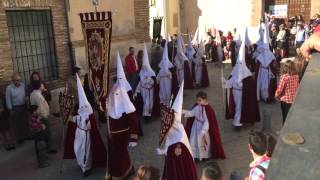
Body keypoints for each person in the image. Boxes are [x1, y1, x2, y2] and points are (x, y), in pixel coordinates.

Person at [64, 74, 107, 177]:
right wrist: (65, 114)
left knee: (85, 151)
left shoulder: (88, 109)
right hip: (79, 134)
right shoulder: (78, 111)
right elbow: (71, 119)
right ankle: (82, 164)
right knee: (77, 149)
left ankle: (86, 168)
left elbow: (88, 122)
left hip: (86, 134)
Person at [158, 81, 197, 180]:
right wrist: (164, 150)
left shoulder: (180, 132)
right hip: (171, 160)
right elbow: (168, 140)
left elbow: (179, 147)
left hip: (181, 161)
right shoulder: (171, 129)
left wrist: (171, 150)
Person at [225, 29, 260, 131]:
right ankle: (239, 121)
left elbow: (250, 86)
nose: (239, 66)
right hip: (236, 93)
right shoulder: (235, 70)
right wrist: (226, 83)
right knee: (237, 107)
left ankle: (238, 122)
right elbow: (230, 82)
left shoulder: (247, 74)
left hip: (242, 93)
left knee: (241, 107)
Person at [107, 70, 139, 179]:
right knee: (117, 154)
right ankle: (127, 169)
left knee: (121, 154)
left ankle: (123, 172)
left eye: (117, 95)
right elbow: (109, 117)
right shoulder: (112, 102)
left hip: (124, 133)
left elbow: (133, 121)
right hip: (114, 135)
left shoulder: (127, 107)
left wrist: (133, 137)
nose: (115, 97)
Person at [184, 91, 226, 160]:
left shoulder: (208, 109)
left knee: (204, 143)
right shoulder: (197, 106)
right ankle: (196, 156)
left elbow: (207, 121)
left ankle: (205, 156)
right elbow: (192, 113)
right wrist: (184, 112)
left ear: (205, 100)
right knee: (194, 141)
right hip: (196, 127)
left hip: (203, 129)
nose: (198, 102)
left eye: (199, 100)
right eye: (197, 100)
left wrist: (203, 130)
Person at [254, 18, 278, 133]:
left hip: (266, 73)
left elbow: (273, 65)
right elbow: (258, 65)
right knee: (263, 86)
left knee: (265, 86)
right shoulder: (264, 56)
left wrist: (272, 70)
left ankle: (267, 98)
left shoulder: (271, 56)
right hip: (264, 73)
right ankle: (264, 97)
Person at [30, 80, 57, 153]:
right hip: (42, 117)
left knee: (44, 133)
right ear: (39, 86)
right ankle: (50, 148)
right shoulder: (38, 95)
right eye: (42, 85)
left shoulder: (34, 93)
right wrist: (45, 116)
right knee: (47, 133)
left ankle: (47, 148)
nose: (43, 86)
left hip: (39, 117)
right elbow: (41, 108)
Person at [134, 43, 157, 119]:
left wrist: (149, 80)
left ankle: (151, 114)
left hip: (150, 91)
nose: (144, 68)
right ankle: (146, 116)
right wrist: (136, 91)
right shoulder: (141, 74)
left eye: (145, 67)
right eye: (143, 67)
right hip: (144, 91)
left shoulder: (152, 73)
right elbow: (140, 83)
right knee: (145, 103)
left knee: (151, 103)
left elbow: (154, 82)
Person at [6, 72, 28, 146]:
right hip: (15, 107)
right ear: (12, 80)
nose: (17, 82)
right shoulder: (9, 88)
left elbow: (26, 94)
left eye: (18, 80)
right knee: (17, 124)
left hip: (24, 106)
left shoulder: (23, 85)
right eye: (15, 80)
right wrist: (10, 109)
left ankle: (25, 136)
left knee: (24, 122)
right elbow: (8, 99)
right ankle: (19, 138)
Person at [275, 60, 299, 124]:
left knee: (285, 117)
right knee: (291, 117)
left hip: (285, 100)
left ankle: (284, 132)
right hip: (293, 100)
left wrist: (276, 95)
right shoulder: (296, 76)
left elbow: (280, 89)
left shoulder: (284, 77)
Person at [157, 41, 174, 106]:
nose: (164, 63)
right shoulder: (160, 70)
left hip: (168, 83)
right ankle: (163, 104)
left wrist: (168, 74)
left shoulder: (170, 70)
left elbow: (171, 77)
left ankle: (168, 104)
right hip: (162, 83)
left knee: (168, 92)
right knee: (162, 92)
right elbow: (157, 79)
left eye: (165, 61)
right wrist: (159, 78)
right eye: (163, 61)